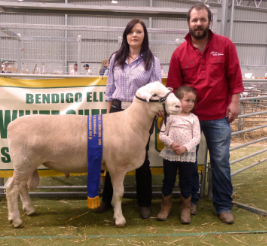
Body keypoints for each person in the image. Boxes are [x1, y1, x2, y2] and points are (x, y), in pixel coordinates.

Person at [167, 3, 244, 224]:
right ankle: (190, 201)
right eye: (194, 20)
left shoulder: (225, 45)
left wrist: (235, 102)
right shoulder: (179, 53)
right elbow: (174, 86)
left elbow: (234, 76)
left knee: (220, 161)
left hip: (219, 114)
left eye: (202, 19)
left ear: (209, 21)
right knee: (189, 161)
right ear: (188, 23)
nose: (198, 23)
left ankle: (223, 205)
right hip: (189, 119)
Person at [94, 18, 162, 219]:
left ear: (144, 35)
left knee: (142, 159)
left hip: (140, 116)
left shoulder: (152, 61)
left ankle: (144, 203)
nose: (134, 35)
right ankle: (107, 200)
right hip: (116, 111)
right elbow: (109, 89)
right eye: (131, 32)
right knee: (111, 158)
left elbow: (156, 90)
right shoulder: (116, 58)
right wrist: (107, 115)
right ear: (126, 35)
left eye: (139, 32)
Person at [157, 86, 200, 224]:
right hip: (170, 155)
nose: (191, 103)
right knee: (168, 181)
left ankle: (185, 209)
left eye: (193, 101)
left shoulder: (194, 119)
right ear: (178, 100)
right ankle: (165, 206)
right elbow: (162, 134)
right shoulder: (170, 117)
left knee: (186, 182)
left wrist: (185, 148)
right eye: (187, 100)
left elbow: (197, 138)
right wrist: (172, 144)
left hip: (186, 157)